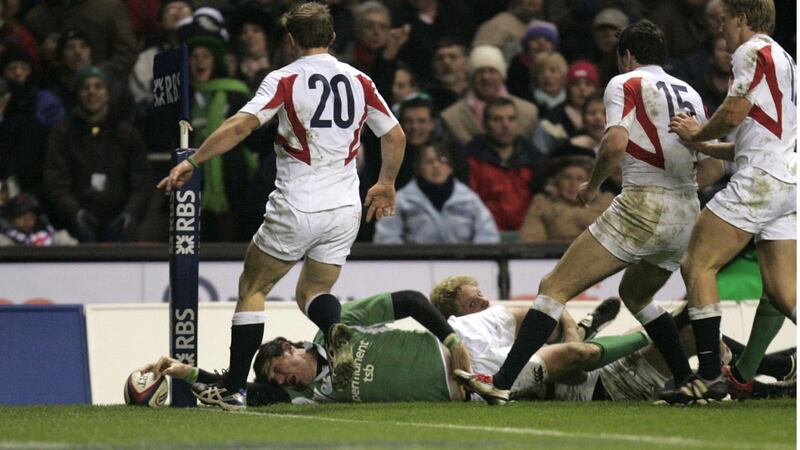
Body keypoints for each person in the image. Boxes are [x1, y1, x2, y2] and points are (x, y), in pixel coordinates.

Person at [455, 20, 726, 406]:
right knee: (635, 293)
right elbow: (713, 168)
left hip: (641, 203)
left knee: (554, 288)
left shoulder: (626, 83)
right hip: (685, 210)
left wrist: (594, 184)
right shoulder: (691, 94)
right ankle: (687, 380)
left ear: (627, 56)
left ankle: (501, 383)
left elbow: (614, 143)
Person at [157, 2, 405, 412]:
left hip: (298, 204)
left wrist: (193, 160)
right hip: (345, 208)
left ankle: (234, 388)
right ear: (333, 37)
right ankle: (334, 328)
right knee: (314, 291)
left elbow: (240, 125)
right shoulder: (360, 79)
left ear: (290, 40)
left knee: (253, 288)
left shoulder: (285, 78)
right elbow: (394, 136)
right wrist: (386, 183)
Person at [665, 0, 796, 404]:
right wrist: (704, 142)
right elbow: (744, 143)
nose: (719, 30)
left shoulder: (751, 50)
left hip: (760, 180)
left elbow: (734, 111)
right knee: (783, 294)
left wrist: (695, 133)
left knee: (697, 263)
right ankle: (725, 376)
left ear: (740, 18)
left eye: (722, 21)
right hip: (787, 177)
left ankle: (708, 375)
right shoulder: (784, 57)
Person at [43, 66, 151, 243]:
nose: (92, 92)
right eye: (85, 87)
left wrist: (131, 212)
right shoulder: (62, 133)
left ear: (107, 93)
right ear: (78, 94)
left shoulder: (126, 134)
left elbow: (142, 180)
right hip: (75, 228)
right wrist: (74, 212)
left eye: (98, 86)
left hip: (121, 227)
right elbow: (55, 180)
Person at [374, 145, 498, 244]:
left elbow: (488, 235)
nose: (436, 166)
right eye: (429, 162)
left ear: (450, 167)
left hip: (463, 267)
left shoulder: (469, 199)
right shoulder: (401, 200)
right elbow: (386, 238)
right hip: (415, 268)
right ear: (418, 168)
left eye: (442, 160)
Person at [465, 97, 541, 232]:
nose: (505, 125)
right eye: (497, 120)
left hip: (528, 238)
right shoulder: (469, 160)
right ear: (484, 124)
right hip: (484, 236)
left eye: (511, 119)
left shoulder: (535, 160)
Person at [441, 45, 539, 148]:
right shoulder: (450, 118)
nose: (486, 77)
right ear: (471, 77)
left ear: (502, 76)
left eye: (492, 71)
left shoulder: (528, 112)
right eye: (480, 72)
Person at [519, 156, 613, 243]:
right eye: (567, 178)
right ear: (557, 180)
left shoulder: (606, 203)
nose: (573, 184)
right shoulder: (542, 205)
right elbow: (531, 240)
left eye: (579, 178)